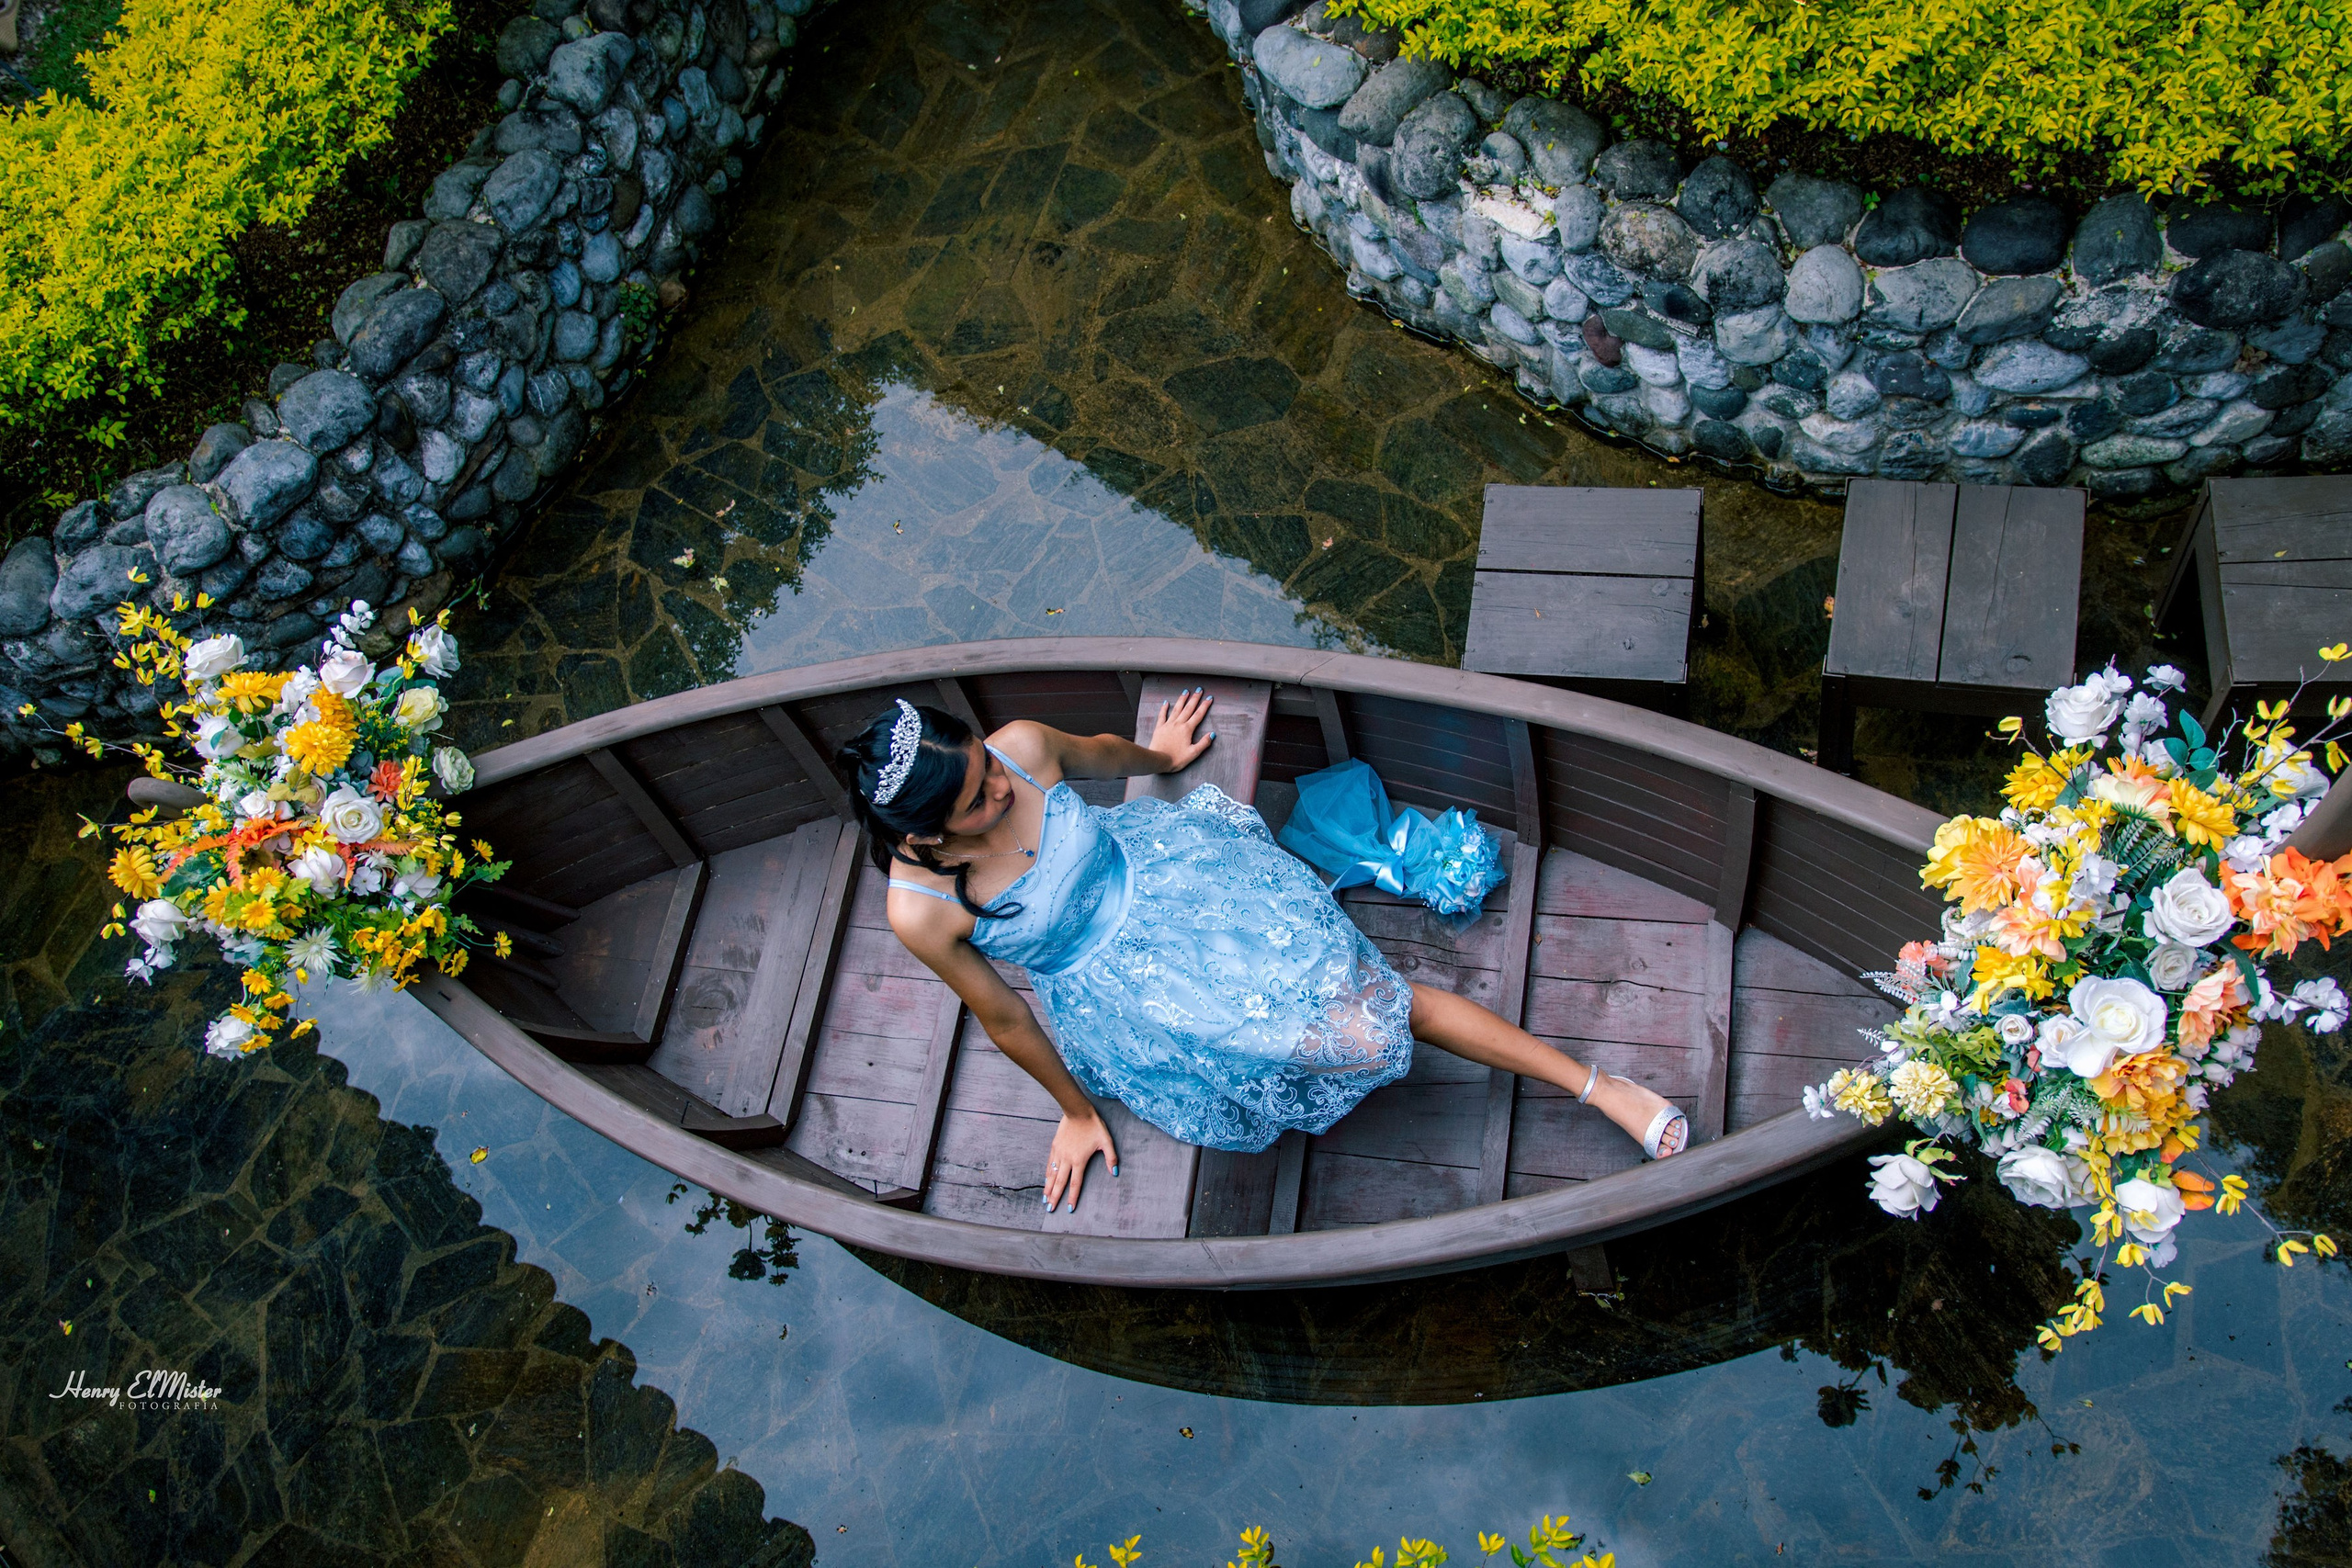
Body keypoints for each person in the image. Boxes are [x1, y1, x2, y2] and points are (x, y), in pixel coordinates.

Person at [837, 691, 1688, 1214]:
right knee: (1347, 1037)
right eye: (977, 801)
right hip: (1134, 992)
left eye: (986, 766)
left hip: (1185, 883)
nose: (998, 786)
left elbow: (1099, 758)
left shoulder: (1020, 747)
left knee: (1387, 1007)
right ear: (924, 831)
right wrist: (1073, 1107)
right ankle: (1424, 1039)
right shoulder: (923, 911)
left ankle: (1594, 1083)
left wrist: (1161, 758)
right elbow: (1004, 1016)